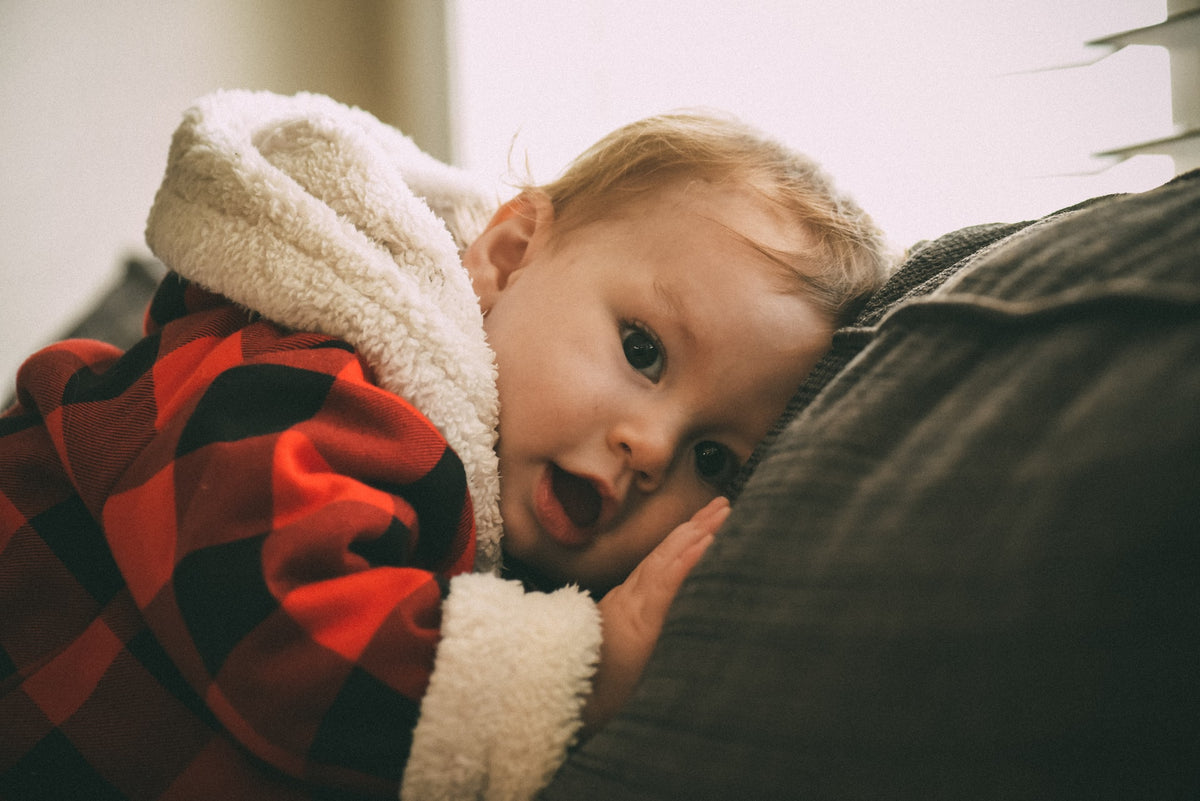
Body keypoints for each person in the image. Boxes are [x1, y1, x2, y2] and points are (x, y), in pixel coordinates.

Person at [0, 90, 890, 800]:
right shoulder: (319, 378)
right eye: (644, 349)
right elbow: (285, 634)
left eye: (715, 459)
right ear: (505, 257)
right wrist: (580, 673)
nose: (651, 448)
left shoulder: (507, 541)